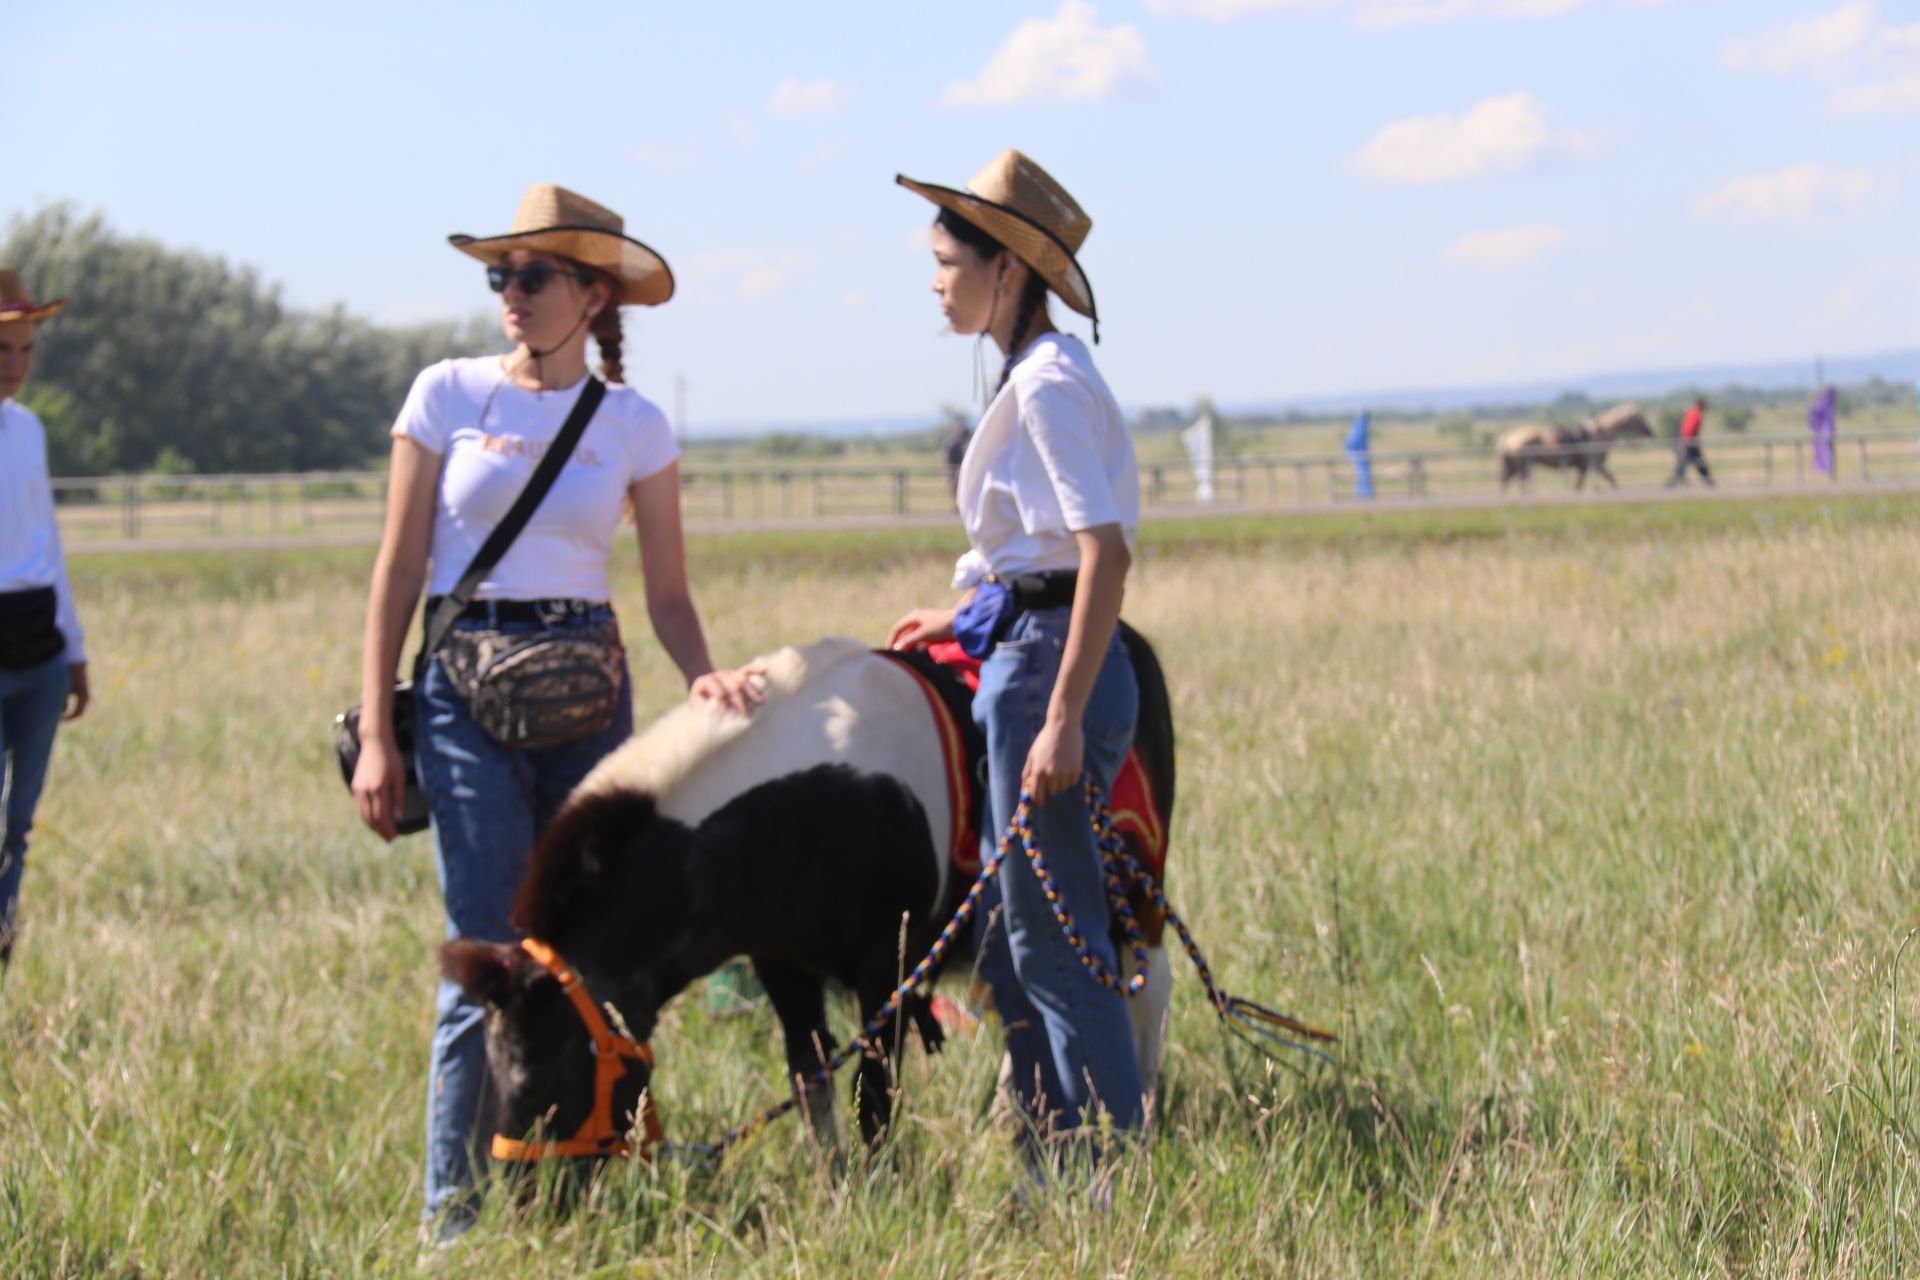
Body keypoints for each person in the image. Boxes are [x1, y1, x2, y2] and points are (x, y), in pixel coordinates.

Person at [349, 184, 756, 1238]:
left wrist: (703, 673)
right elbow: (396, 571)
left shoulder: (635, 424)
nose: (509, 294)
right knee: (482, 951)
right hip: (461, 690)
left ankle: (573, 1188)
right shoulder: (446, 393)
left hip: (591, 691)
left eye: (532, 276)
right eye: (500, 275)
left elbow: (666, 590)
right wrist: (378, 728)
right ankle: (452, 1215)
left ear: (591, 294)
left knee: (589, 954)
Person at [887, 150, 1145, 1168]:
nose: (936, 278)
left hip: (1048, 667)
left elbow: (1102, 550)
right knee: (1018, 937)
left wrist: (1063, 715)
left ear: (1007, 271)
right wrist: (965, 611)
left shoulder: (1044, 385)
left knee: (1060, 941)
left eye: (948, 259)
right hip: (1029, 646)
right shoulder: (1038, 374)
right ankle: (1056, 1167)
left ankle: (1108, 1180)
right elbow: (1039, 554)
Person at [0, 268, 90, 979]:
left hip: (38, 646)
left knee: (17, 820)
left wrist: (75, 647)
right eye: (4, 349)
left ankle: (2, 940)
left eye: (25, 349)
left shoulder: (27, 430)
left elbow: (47, 542)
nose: (17, 365)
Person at [1667, 395, 1714, 487]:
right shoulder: (1696, 414)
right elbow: (1689, 429)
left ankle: (1709, 481)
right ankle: (1709, 482)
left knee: (1690, 463)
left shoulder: (1692, 412)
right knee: (1687, 463)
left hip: (1688, 442)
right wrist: (1688, 441)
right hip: (1688, 443)